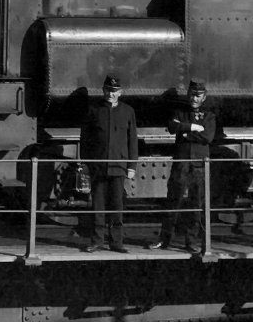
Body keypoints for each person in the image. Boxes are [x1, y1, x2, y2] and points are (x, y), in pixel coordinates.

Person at [150, 80, 218, 253]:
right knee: (173, 201)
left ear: (204, 97)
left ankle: (191, 241)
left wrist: (186, 134)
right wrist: (192, 127)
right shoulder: (180, 112)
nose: (194, 98)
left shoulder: (209, 116)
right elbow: (172, 127)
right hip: (181, 163)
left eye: (198, 95)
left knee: (197, 204)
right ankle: (164, 239)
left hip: (199, 165)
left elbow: (208, 137)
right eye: (192, 94)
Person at [79, 75, 139, 252]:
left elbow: (132, 140)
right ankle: (97, 241)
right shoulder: (93, 111)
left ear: (120, 92)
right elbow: (85, 140)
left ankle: (116, 242)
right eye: (108, 90)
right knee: (97, 206)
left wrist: (132, 165)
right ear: (103, 90)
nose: (110, 94)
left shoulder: (128, 111)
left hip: (118, 166)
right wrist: (86, 164)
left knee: (117, 205)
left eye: (114, 91)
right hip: (99, 166)